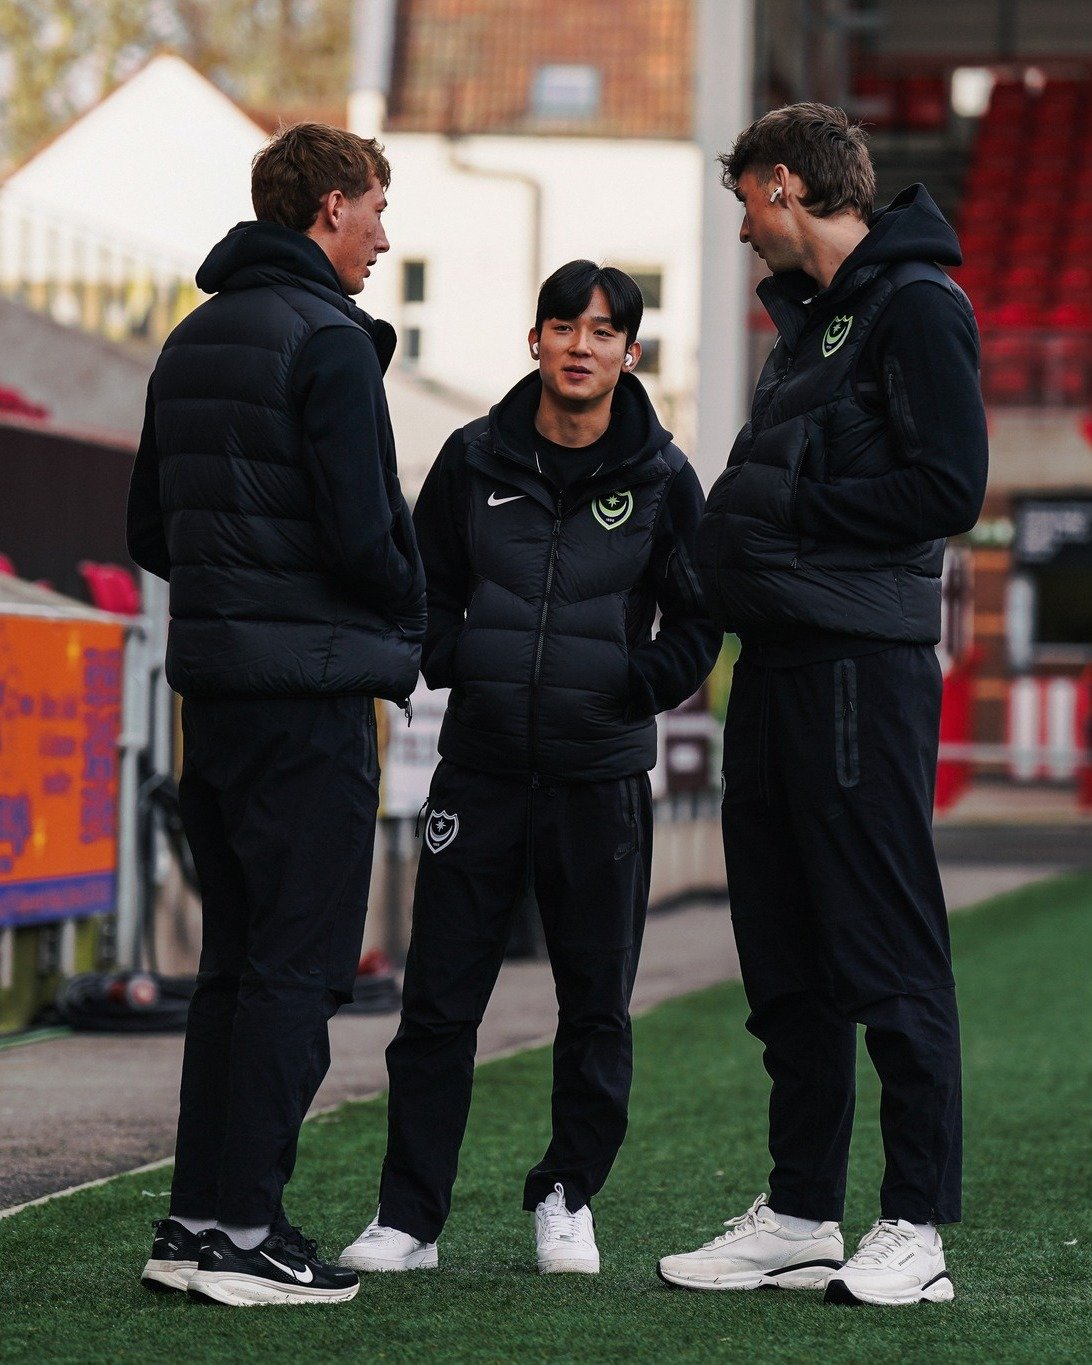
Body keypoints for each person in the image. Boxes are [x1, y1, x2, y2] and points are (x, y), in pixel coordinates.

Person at [657, 104, 988, 1306]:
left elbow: (948, 485)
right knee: (785, 955)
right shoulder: (813, 325)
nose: (745, 230)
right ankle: (802, 1213)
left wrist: (788, 509)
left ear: (785, 185)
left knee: (884, 946)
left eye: (747, 202)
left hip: (861, 671)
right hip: (779, 665)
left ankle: (916, 1227)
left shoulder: (919, 306)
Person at [338, 260, 722, 1276]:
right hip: (481, 772)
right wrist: (457, 658)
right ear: (536, 339)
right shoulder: (472, 459)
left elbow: (699, 617)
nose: (580, 346)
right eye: (563, 326)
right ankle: (409, 1218)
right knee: (437, 1004)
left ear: (629, 353)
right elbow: (422, 587)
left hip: (601, 778)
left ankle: (566, 1196)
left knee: (594, 1006)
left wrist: (638, 684)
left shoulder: (663, 477)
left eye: (602, 332)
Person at [126, 122, 425, 1307]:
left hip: (214, 697)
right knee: (297, 971)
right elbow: (362, 535)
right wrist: (412, 607)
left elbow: (150, 530)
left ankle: (198, 1222)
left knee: (235, 967)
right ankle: (250, 1232)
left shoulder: (191, 337)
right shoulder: (330, 339)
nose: (383, 236)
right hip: (309, 697)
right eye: (377, 209)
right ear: (330, 206)